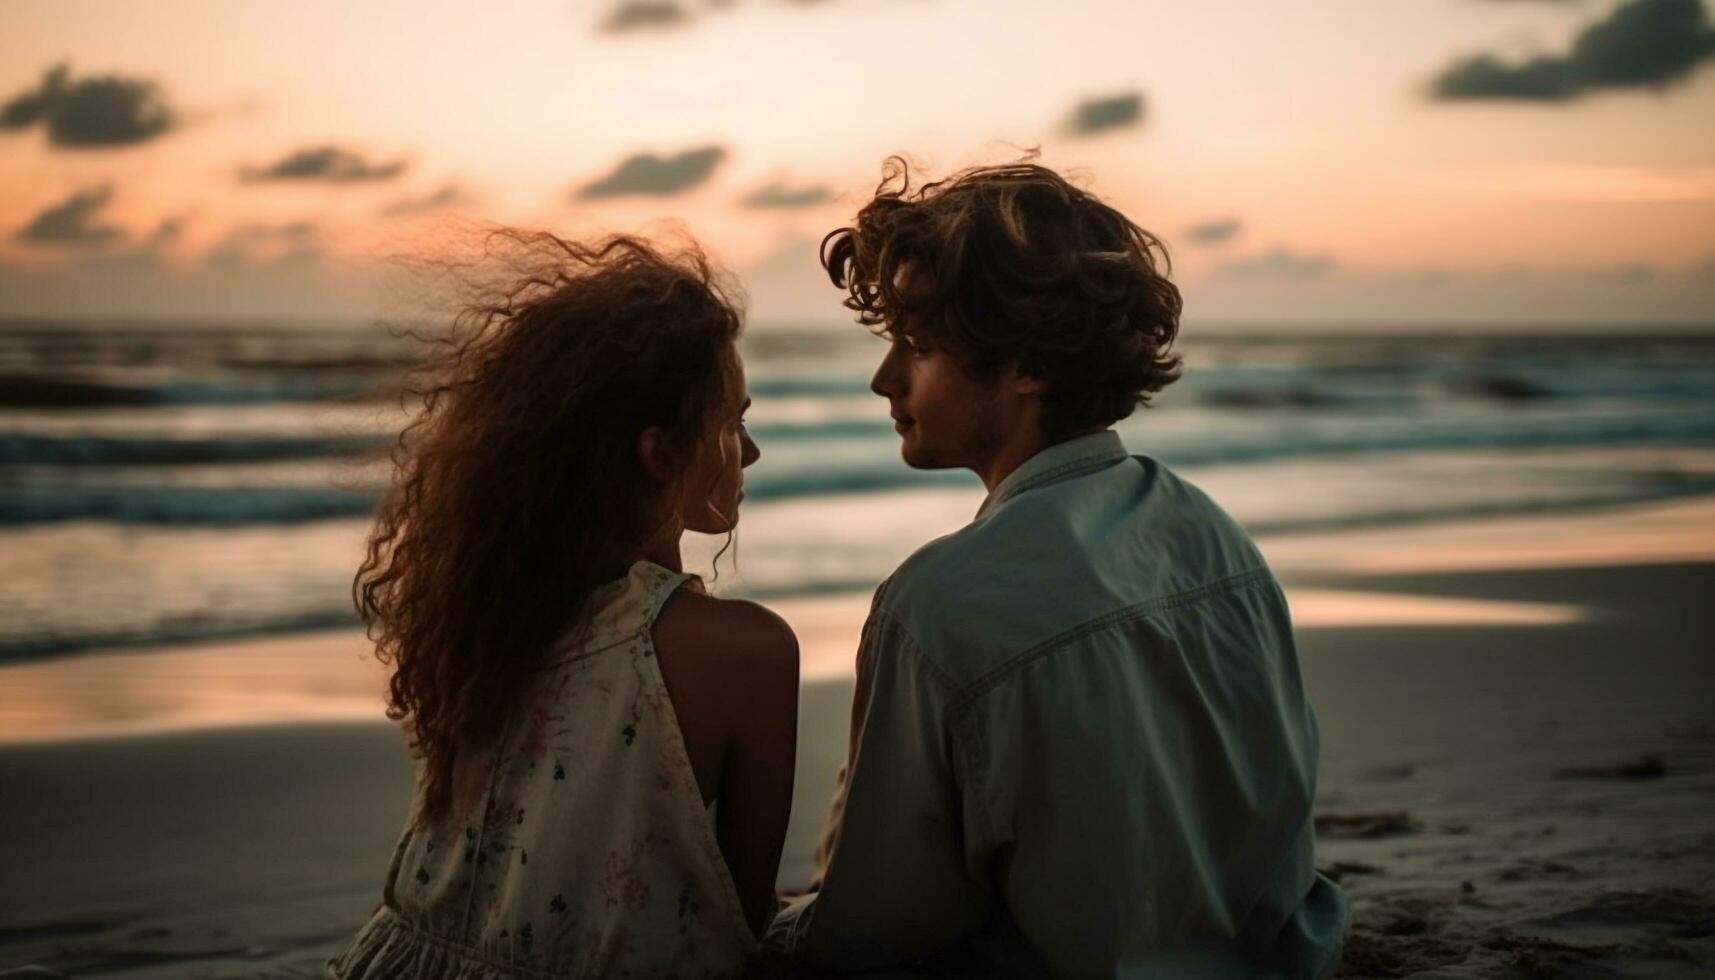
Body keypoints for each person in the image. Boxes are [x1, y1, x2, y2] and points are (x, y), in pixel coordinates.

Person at [767, 161, 1348, 978]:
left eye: (919, 348)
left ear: (1028, 365)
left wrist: (778, 936)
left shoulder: (938, 603)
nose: (883, 379)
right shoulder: (1215, 538)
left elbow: (879, 924)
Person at [327, 231, 800, 980]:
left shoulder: (485, 618)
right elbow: (734, 925)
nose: (749, 452)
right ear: (658, 452)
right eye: (730, 422)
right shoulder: (746, 652)